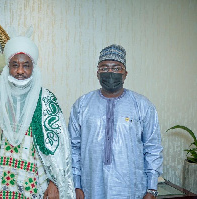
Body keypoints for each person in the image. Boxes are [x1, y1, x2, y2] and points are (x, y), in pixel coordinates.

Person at [0, 32, 75, 199]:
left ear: (33, 67)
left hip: (35, 185)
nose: (20, 71)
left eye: (26, 65)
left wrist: (55, 182)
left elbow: (58, 151)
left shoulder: (47, 100)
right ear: (7, 67)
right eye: (15, 65)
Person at [68, 44, 163, 199]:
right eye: (104, 68)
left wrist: (151, 189)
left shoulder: (142, 105)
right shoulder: (82, 105)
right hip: (90, 188)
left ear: (125, 74)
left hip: (132, 190)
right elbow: (73, 148)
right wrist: (76, 184)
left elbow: (153, 148)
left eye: (116, 68)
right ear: (97, 73)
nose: (110, 72)